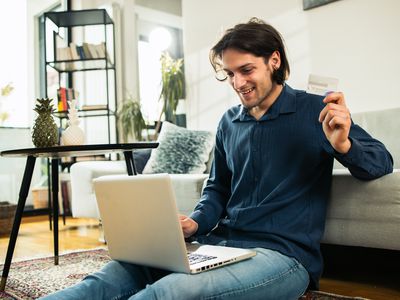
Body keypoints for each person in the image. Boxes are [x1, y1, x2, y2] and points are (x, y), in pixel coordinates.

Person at [41, 18, 393, 300]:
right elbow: (217, 190)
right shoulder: (228, 122)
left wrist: (345, 145)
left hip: (283, 257)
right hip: (219, 244)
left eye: (246, 69)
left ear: (275, 61)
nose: (237, 82)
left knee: (173, 291)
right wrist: (195, 224)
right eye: (230, 73)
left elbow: (381, 163)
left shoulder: (317, 112)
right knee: (112, 275)